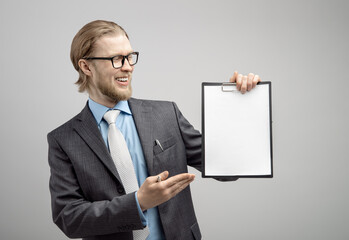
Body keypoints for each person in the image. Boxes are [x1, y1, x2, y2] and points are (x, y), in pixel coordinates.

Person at [47, 20, 261, 240]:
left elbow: (227, 167)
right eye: (116, 59)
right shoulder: (63, 140)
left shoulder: (166, 114)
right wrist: (138, 203)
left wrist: (239, 106)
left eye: (130, 57)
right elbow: (69, 217)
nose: (128, 66)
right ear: (86, 66)